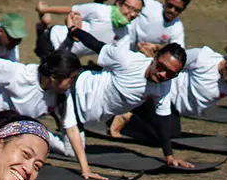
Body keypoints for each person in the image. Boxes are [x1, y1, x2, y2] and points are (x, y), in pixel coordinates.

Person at [59, 21, 193, 170]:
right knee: (71, 151)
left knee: (71, 149)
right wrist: (74, 30)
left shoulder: (164, 86)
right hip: (73, 92)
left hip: (86, 115)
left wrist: (169, 156)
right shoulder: (127, 60)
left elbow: (162, 119)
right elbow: (96, 45)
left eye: (170, 74)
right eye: (161, 67)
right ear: (155, 56)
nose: (163, 75)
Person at [0, 43, 96, 172]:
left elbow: (72, 130)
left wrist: (85, 169)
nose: (72, 85)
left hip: (4, 119)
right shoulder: (20, 74)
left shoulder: (62, 94)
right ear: (54, 77)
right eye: (71, 80)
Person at [110, 43, 227, 139]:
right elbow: (173, 61)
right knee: (166, 134)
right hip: (166, 99)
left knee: (171, 133)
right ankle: (129, 113)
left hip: (179, 111)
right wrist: (155, 50)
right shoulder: (203, 58)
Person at [35, 0, 143, 58]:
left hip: (69, 56)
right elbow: (70, 9)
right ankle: (43, 26)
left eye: (137, 11)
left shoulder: (125, 34)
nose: (132, 14)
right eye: (130, 8)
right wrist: (45, 9)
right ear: (119, 4)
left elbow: (121, 57)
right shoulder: (99, 10)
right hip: (52, 40)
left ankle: (43, 25)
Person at [115, 0, 189, 54]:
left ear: (183, 9)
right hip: (122, 43)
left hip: (141, 56)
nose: (172, 10)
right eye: (170, 6)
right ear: (165, 1)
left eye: (177, 9)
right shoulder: (150, 5)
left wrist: (157, 47)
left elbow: (178, 52)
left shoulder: (176, 27)